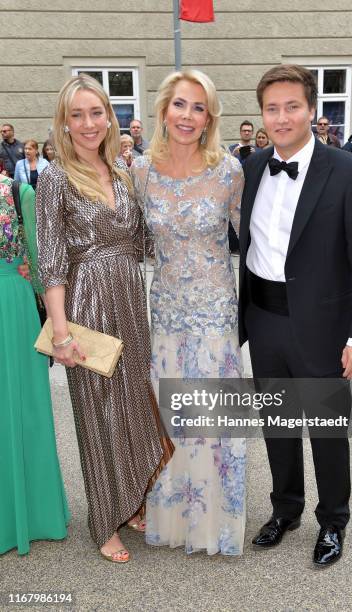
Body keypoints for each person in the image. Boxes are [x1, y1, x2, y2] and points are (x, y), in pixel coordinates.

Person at [238, 64, 352, 566]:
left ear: (312, 111)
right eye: (272, 108)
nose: (282, 118)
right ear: (262, 114)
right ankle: (286, 509)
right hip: (263, 317)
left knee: (325, 427)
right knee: (276, 422)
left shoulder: (349, 171)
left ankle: (333, 522)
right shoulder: (252, 166)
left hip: (323, 326)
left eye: (292, 107)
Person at [36, 74, 171, 563]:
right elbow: (50, 258)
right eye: (77, 115)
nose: (89, 123)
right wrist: (60, 331)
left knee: (134, 406)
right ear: (64, 123)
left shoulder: (120, 169)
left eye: (96, 113)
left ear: (109, 117)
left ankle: (131, 498)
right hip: (87, 301)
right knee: (98, 414)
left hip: (130, 300)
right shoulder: (54, 176)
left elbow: (144, 242)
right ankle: (103, 522)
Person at [132, 69, 246, 556]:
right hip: (168, 313)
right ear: (163, 110)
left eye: (199, 107)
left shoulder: (229, 172)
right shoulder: (139, 171)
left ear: (209, 117)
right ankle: (172, 513)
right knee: (172, 414)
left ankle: (217, 521)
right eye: (180, 104)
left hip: (216, 312)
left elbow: (262, 241)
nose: (188, 115)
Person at [0, 175, 70, 556]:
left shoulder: (16, 192)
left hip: (11, 309)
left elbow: (43, 262)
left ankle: (36, 513)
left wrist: (61, 327)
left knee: (25, 410)